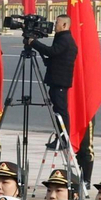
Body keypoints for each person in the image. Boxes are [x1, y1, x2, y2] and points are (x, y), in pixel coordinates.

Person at [29, 15, 87, 180]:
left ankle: (63, 139)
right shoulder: (62, 38)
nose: (54, 26)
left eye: (56, 23)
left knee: (61, 111)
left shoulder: (65, 39)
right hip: (57, 80)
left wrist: (34, 43)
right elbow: (54, 56)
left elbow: (51, 52)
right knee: (58, 110)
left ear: (64, 24)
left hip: (60, 81)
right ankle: (61, 137)